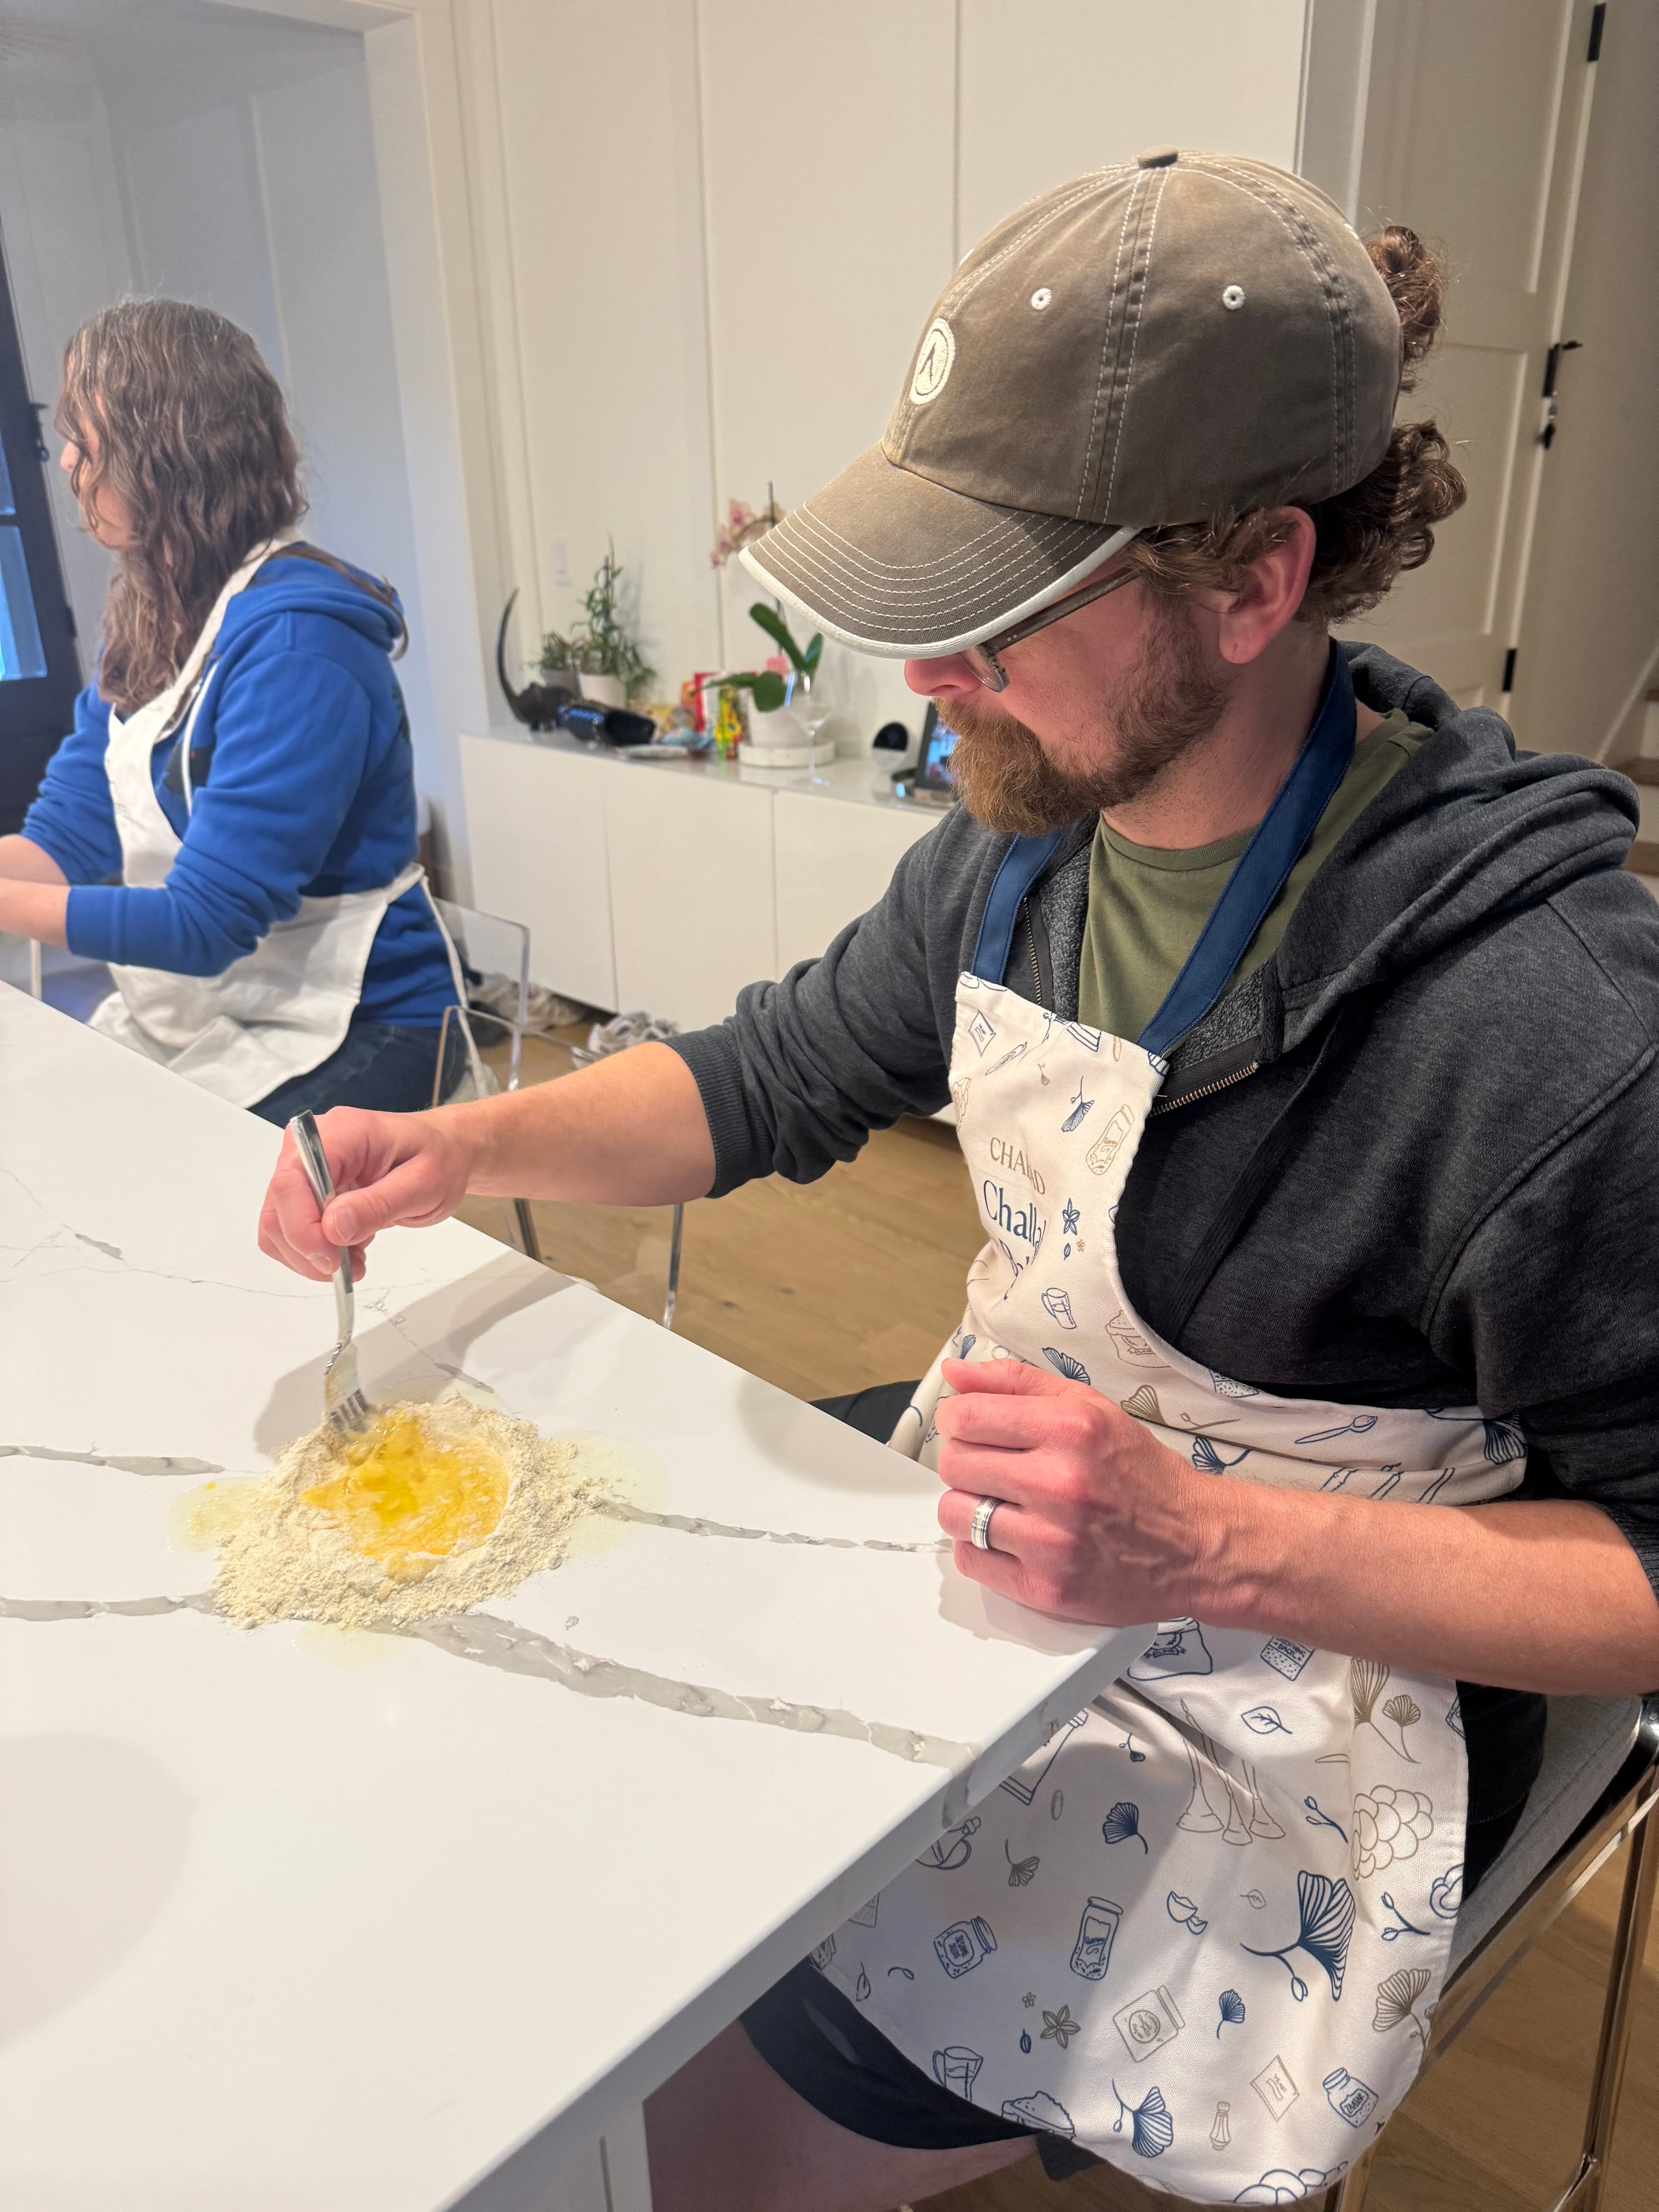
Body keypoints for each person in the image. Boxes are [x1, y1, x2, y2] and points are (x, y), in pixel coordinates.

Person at [257, 152, 1659, 2210]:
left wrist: (1203, 1538)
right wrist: (458, 1143)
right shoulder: (1022, 846)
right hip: (1050, 1515)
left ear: (1255, 582)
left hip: (1336, 1684)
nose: (931, 680)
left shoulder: (1541, 1018)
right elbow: (772, 1075)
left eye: (999, 617)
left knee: (701, 2087)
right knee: (572, 1736)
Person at [0, 299, 461, 1123]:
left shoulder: (299, 648)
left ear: (164, 456)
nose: (66, 459)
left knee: (174, 1205)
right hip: (224, 1007)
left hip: (369, 1024)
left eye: (87, 439)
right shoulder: (151, 617)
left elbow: (203, 924)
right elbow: (66, 843)